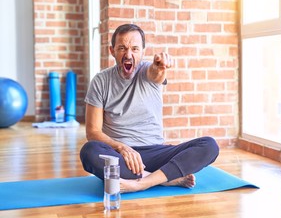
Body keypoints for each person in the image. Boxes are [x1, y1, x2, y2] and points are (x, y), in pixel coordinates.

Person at [80, 24, 219, 193]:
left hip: (156, 152)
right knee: (89, 151)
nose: (128, 54)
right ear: (112, 51)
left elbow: (156, 73)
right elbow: (92, 132)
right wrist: (122, 148)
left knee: (209, 145)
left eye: (135, 49)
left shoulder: (148, 71)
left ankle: (142, 182)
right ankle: (165, 179)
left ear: (143, 51)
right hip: (120, 155)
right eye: (122, 48)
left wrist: (160, 67)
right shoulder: (100, 81)